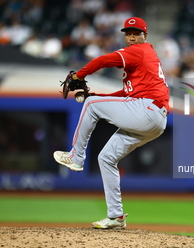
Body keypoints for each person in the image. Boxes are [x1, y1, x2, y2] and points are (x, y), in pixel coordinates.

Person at [53, 17, 169, 229]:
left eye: (136, 32)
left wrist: (79, 75)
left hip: (147, 110)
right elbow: (126, 94)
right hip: (154, 119)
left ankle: (76, 157)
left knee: (91, 104)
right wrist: (97, 95)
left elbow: (101, 61)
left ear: (145, 36)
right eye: (128, 33)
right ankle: (116, 217)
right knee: (106, 158)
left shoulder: (140, 50)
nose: (131, 36)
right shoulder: (146, 57)